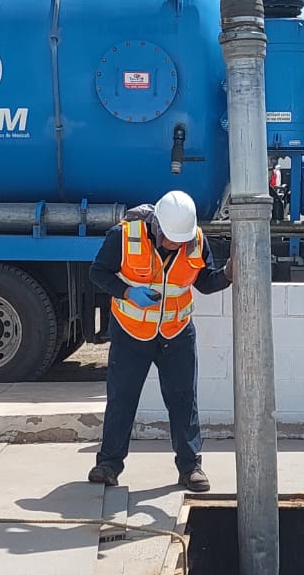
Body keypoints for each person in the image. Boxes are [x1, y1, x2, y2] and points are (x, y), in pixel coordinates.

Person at [87, 190, 232, 492]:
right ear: (156, 226)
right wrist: (127, 292)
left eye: (181, 239)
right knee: (122, 398)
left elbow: (204, 282)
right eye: (170, 238)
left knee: (183, 401)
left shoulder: (195, 240)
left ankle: (190, 467)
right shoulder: (124, 236)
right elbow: (98, 272)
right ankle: (108, 465)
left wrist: (228, 275)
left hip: (176, 334)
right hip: (131, 334)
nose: (176, 244)